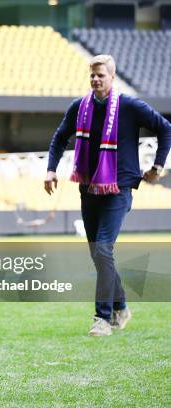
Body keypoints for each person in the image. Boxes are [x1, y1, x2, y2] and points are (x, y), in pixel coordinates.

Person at [44, 55, 171, 336]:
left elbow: (165, 128)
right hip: (88, 188)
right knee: (98, 254)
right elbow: (58, 138)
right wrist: (51, 170)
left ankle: (102, 318)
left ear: (112, 76)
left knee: (102, 249)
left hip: (119, 189)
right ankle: (121, 306)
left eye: (100, 75)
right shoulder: (79, 107)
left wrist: (158, 166)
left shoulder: (129, 106)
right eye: (92, 75)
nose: (95, 79)